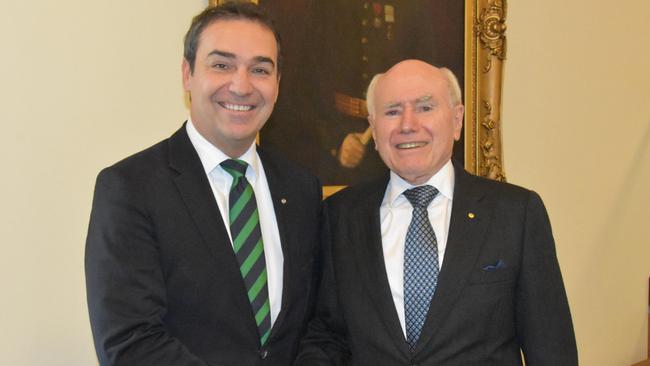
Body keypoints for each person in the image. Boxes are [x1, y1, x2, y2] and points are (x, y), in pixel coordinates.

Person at [295, 60, 578, 365]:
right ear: (374, 129)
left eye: (425, 107)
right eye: (392, 111)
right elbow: (328, 336)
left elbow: (552, 350)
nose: (407, 124)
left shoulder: (516, 214)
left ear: (457, 120)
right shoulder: (340, 217)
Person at [85, 3, 322, 366]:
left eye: (260, 69)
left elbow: (315, 327)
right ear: (187, 73)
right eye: (221, 64)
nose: (241, 85)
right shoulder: (130, 188)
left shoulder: (301, 189)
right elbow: (130, 342)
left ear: (277, 83)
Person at [260, 0, 464, 186]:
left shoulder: (412, 8)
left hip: (399, 140)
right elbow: (308, 88)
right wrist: (337, 141)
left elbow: (429, 80)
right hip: (340, 137)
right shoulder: (328, 8)